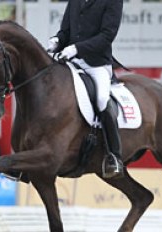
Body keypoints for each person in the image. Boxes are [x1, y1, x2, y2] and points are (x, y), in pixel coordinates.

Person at [48, 0, 124, 178]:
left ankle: (114, 156)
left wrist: (76, 48)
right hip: (72, 61)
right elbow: (66, 31)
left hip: (96, 64)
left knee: (102, 100)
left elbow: (107, 35)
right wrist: (57, 40)